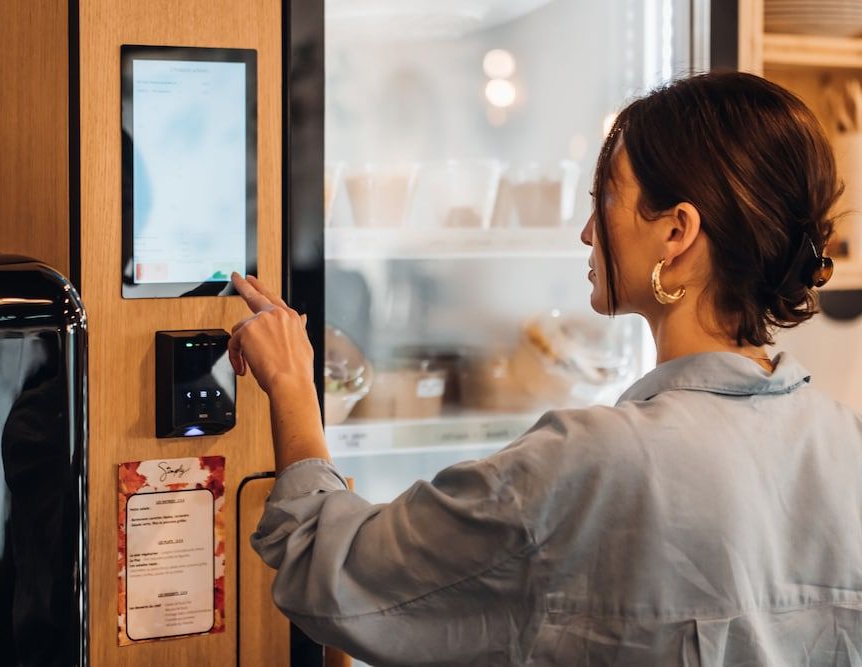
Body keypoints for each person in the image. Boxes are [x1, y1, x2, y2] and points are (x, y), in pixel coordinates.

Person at [227, 71, 862, 666]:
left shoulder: (594, 460)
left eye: (607, 196)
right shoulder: (846, 442)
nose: (589, 232)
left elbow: (327, 573)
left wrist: (290, 381)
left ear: (677, 232)